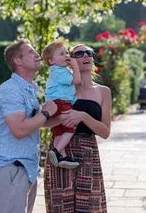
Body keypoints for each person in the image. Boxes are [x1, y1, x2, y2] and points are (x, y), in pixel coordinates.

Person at [0, 39, 60, 213]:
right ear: (17, 61)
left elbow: (32, 123)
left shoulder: (27, 89)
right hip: (11, 168)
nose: (37, 54)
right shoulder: (11, 90)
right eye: (31, 52)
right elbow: (19, 129)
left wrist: (66, 117)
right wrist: (46, 113)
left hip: (26, 168)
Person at [44, 44, 111, 213]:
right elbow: (44, 123)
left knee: (89, 207)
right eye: (79, 53)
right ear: (69, 60)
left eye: (89, 52)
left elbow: (105, 132)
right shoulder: (62, 86)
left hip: (89, 155)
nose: (86, 55)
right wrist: (61, 118)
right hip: (61, 152)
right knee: (61, 206)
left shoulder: (103, 92)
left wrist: (83, 116)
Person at [42, 40, 81, 169]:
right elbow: (76, 81)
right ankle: (57, 151)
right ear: (51, 61)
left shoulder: (57, 70)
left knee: (59, 132)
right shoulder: (60, 72)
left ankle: (62, 157)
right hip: (61, 102)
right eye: (62, 54)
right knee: (71, 127)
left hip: (54, 103)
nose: (67, 56)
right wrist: (75, 66)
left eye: (67, 53)